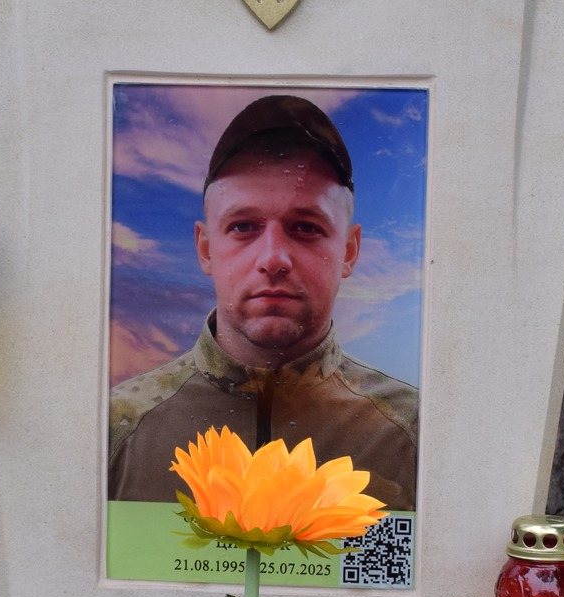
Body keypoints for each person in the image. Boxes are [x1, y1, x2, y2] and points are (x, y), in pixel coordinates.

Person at [108, 94, 420, 510]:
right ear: (205, 248)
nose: (273, 258)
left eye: (306, 227)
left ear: (349, 250)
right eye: (243, 227)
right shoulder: (114, 431)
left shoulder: (416, 438)